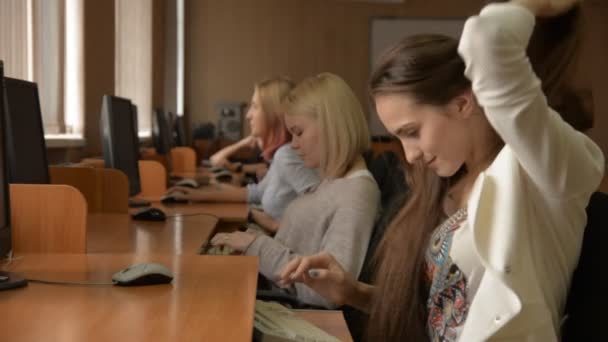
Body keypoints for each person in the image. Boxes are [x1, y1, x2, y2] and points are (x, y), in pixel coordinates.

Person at [279, 0, 605, 340]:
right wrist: (353, 293)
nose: (410, 154)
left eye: (412, 132)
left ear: (463, 103)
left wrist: (539, 4)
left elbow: (489, 43)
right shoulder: (450, 187)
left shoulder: (544, 172)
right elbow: (444, 313)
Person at [211, 73, 381, 308]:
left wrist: (257, 247)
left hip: (286, 307)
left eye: (299, 132)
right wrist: (253, 246)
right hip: (272, 287)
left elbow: (327, 290)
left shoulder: (357, 193)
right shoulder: (333, 180)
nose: (293, 144)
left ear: (332, 127)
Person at [167, 77, 319, 232]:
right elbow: (257, 192)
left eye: (254, 106)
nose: (248, 115)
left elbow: (321, 211)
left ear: (272, 113)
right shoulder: (281, 156)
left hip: (284, 250)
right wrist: (197, 195)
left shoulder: (286, 156)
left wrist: (276, 227)